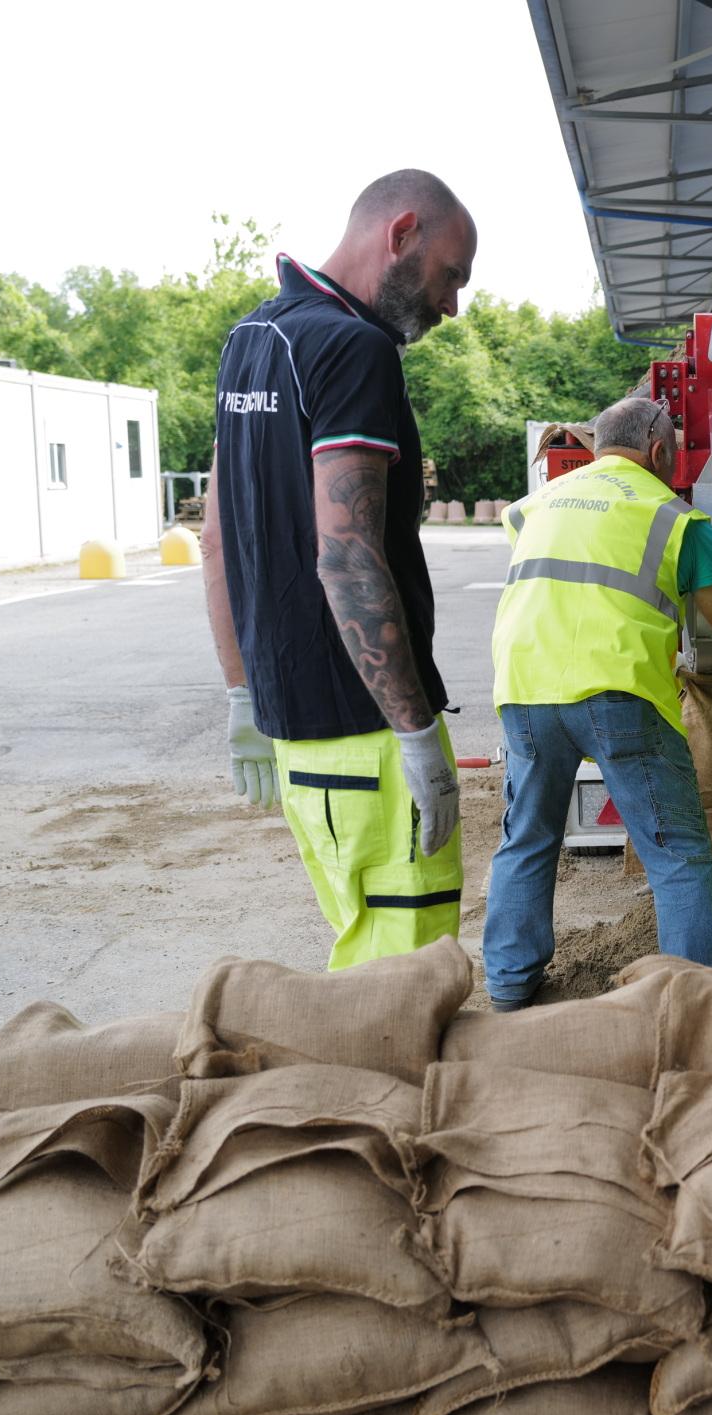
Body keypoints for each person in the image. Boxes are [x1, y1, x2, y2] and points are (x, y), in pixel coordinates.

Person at [201, 170, 477, 969]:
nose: (450, 305)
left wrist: (242, 695)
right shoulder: (354, 350)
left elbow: (216, 540)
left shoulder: (254, 338)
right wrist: (417, 733)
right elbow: (348, 554)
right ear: (401, 235)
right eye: (450, 275)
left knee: (361, 959)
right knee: (407, 989)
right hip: (368, 734)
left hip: (299, 736)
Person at [483, 398, 712, 1009]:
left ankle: (508, 990)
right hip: (619, 694)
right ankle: (695, 995)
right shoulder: (677, 521)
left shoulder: (530, 507)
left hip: (523, 691)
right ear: (659, 450)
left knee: (526, 840)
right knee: (677, 854)